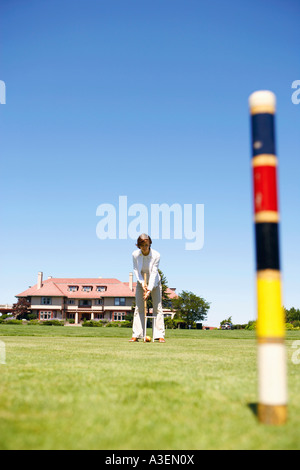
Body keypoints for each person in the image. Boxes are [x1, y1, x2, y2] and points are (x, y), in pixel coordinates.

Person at [129, 234, 166, 343]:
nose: (145, 247)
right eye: (142, 245)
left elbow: (154, 272)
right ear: (139, 246)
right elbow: (136, 270)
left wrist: (149, 289)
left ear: (150, 244)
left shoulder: (156, 255)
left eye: (146, 245)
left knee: (157, 307)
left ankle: (160, 335)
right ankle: (136, 335)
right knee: (139, 307)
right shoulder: (135, 255)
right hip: (141, 281)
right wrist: (142, 283)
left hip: (155, 282)